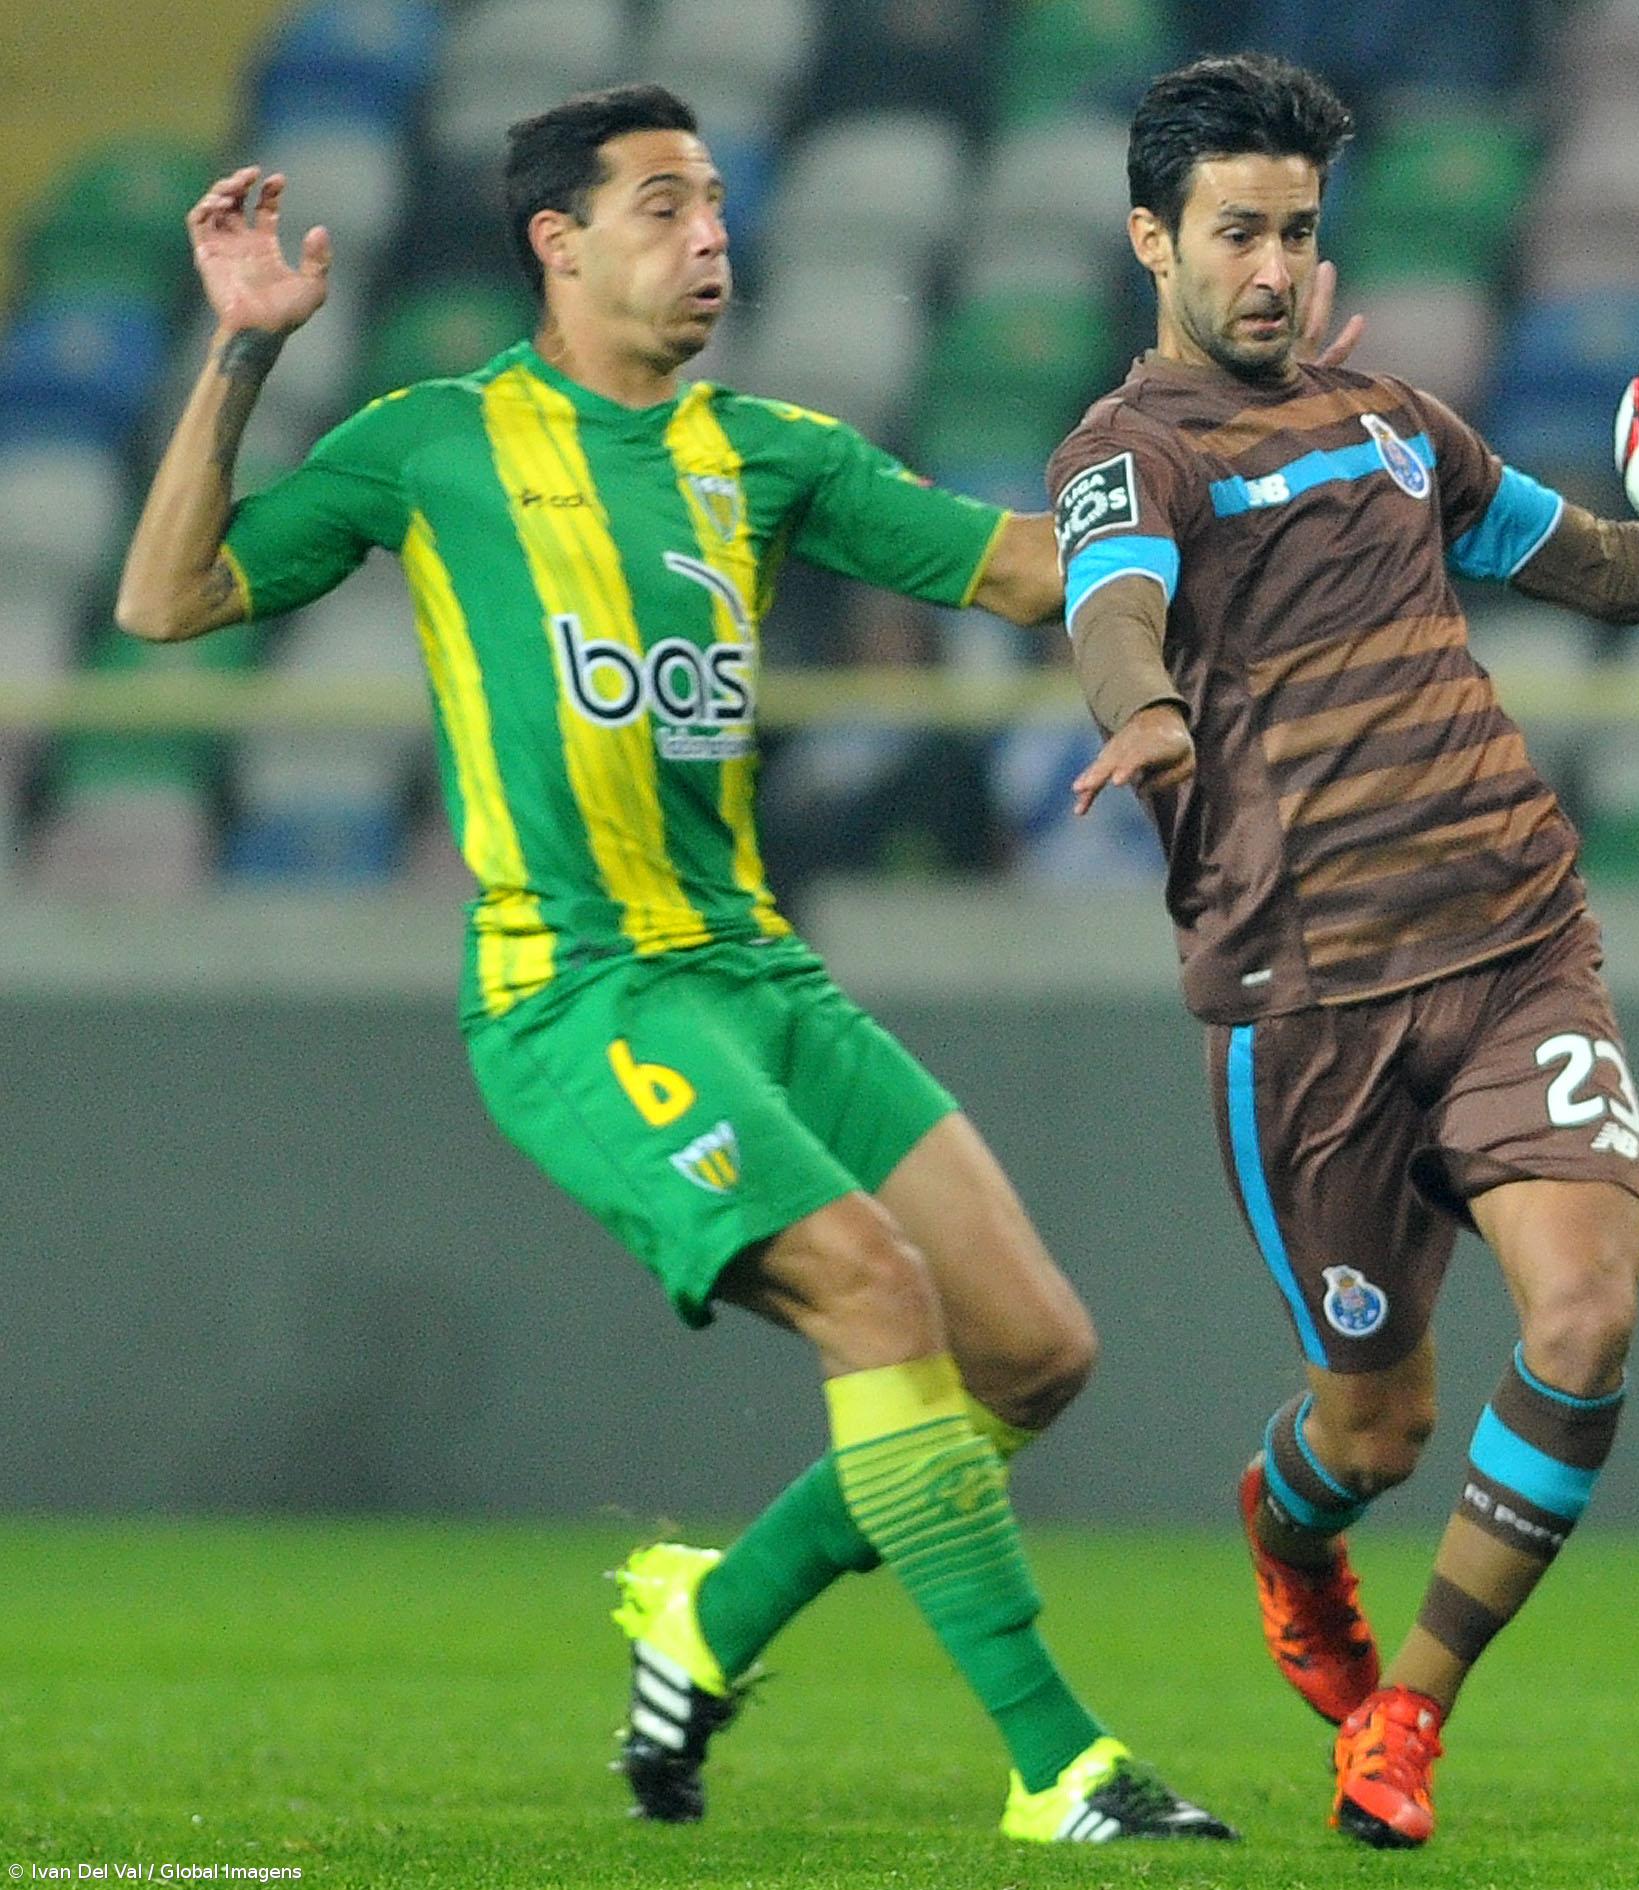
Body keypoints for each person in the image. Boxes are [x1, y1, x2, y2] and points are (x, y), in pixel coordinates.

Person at [110, 83, 1276, 1841]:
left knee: (1033, 1354)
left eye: (719, 204)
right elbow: (164, 603)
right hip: (578, 994)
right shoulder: (435, 442)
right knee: (876, 1291)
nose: (710, 237)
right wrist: (247, 355)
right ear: (556, 245)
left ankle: (709, 1615)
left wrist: (1232, 481)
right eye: (664, 206)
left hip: (761, 978)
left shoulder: (773, 451)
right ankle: (1061, 1764)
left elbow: (1033, 579)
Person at [1046, 52, 1639, 1849]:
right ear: (1150, 241)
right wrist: (1147, 710)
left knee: (1586, 1312)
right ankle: (1285, 1522)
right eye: (1235, 230)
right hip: (1301, 1006)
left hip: (1512, 943)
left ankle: (1407, 1715)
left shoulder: (1400, 424)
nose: (1269, 264)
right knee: (1376, 1430)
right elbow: (1115, 594)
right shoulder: (1130, 451)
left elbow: (1612, 570)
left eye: (1297, 231)